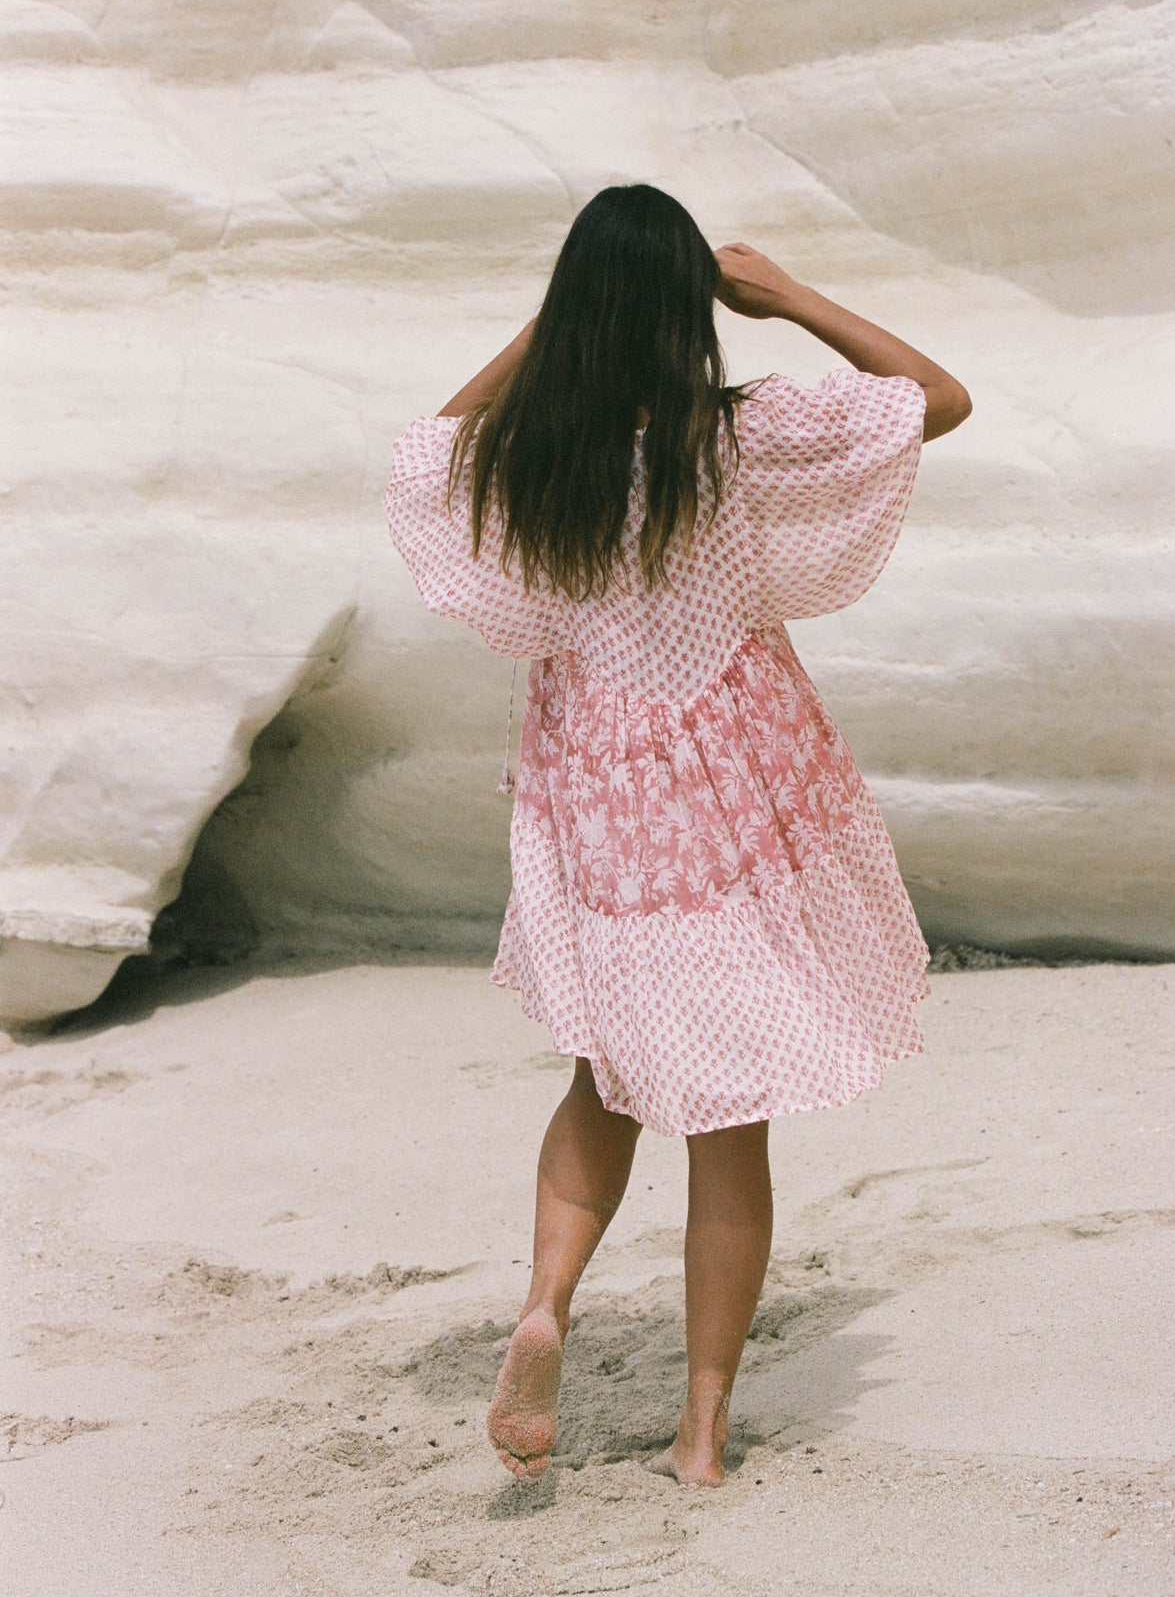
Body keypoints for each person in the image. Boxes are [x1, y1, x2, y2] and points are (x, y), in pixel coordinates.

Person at [383, 184, 971, 1488]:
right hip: (732, 798)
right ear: (689, 304)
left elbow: (425, 452)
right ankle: (700, 1436)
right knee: (730, 1116)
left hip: (601, 802)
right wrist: (786, 297)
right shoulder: (737, 435)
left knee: (601, 1075)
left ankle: (546, 1303)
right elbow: (936, 398)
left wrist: (549, 331)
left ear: (575, 305)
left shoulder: (535, 455)